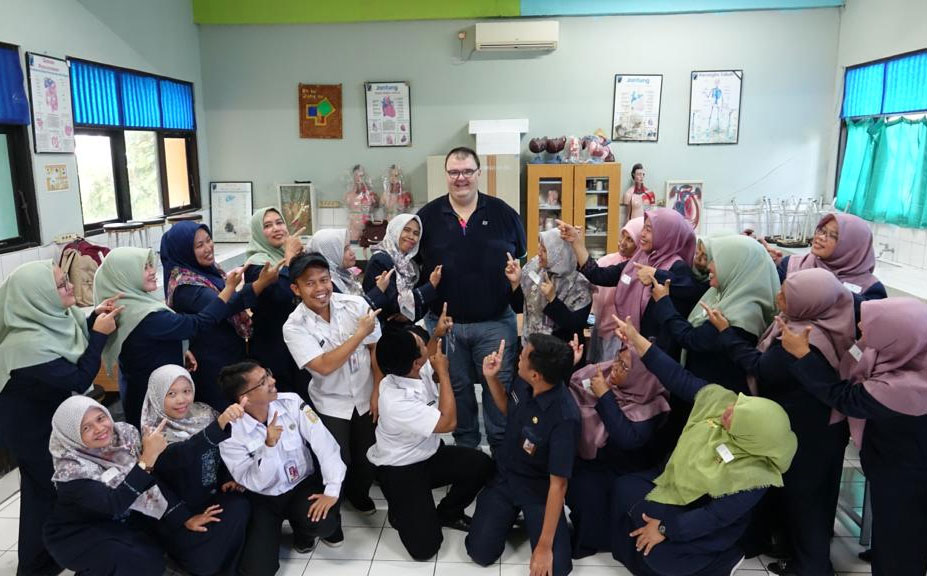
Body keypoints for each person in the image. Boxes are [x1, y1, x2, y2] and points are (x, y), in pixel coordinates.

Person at [613, 316, 797, 576]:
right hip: (678, 490)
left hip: (708, 524)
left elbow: (713, 517)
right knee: (625, 488)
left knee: (662, 556)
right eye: (738, 405)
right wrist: (635, 338)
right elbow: (677, 376)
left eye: (736, 417)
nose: (728, 411)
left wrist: (665, 529)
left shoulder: (756, 475)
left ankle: (724, 560)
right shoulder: (720, 402)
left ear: (750, 435)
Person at [703, 268, 855, 575]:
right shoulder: (828, 323)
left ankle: (811, 567)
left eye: (786, 294)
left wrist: (726, 333)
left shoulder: (803, 340)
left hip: (807, 433)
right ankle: (800, 555)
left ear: (808, 302)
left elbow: (759, 367)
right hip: (821, 427)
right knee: (811, 497)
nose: (778, 296)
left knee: (805, 500)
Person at [778, 298, 927, 576]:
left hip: (906, 472)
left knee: (900, 540)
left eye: (870, 325)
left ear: (898, 335)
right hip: (895, 462)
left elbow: (846, 399)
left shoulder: (906, 386)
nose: (858, 325)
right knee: (897, 530)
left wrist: (803, 355)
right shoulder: (905, 355)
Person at [0, 261, 121, 576]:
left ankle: (45, 558)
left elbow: (71, 334)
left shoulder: (51, 318)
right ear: (37, 296)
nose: (69, 287)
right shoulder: (25, 344)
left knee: (45, 492)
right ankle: (39, 564)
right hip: (30, 428)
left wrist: (93, 318)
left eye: (66, 279)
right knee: (49, 491)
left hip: (48, 415)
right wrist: (99, 335)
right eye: (60, 285)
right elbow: (77, 377)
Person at [44, 396, 236, 576]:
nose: (99, 428)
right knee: (134, 560)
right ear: (72, 436)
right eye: (86, 428)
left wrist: (183, 517)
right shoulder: (71, 470)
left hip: (121, 522)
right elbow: (115, 503)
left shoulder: (124, 436)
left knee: (157, 555)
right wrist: (146, 461)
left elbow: (151, 482)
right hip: (80, 533)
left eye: (100, 418)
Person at [416, 146, 527, 451]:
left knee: (498, 388)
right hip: (445, 326)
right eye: (454, 172)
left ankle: (503, 458)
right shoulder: (427, 218)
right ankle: (468, 456)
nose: (460, 178)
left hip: (495, 323)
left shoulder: (504, 214)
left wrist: (516, 281)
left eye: (467, 171)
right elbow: (413, 269)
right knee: (457, 391)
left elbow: (522, 262)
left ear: (479, 173)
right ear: (446, 175)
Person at [368, 326, 494, 560]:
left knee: (481, 465)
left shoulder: (407, 368)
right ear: (416, 363)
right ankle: (400, 506)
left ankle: (449, 512)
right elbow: (449, 423)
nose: (424, 341)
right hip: (400, 467)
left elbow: (429, 353)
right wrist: (443, 374)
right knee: (425, 549)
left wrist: (436, 334)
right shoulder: (396, 401)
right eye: (421, 342)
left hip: (430, 453)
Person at [217, 361, 347, 575]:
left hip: (301, 487)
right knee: (259, 570)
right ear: (244, 398)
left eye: (267, 374)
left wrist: (332, 491)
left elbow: (325, 443)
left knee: (325, 524)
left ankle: (303, 534)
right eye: (263, 382)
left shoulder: (291, 402)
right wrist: (268, 447)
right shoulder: (229, 431)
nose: (272, 381)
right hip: (263, 499)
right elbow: (255, 482)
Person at [465, 334, 580, 576]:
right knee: (480, 552)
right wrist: (491, 378)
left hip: (538, 489)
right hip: (506, 476)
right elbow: (509, 408)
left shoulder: (565, 417)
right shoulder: (524, 381)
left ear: (536, 375)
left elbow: (558, 485)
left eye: (524, 355)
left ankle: (535, 523)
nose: (519, 356)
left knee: (556, 569)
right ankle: (508, 517)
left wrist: (544, 546)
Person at [93, 247, 241, 428]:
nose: (152, 271)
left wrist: (180, 347)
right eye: (144, 267)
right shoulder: (145, 316)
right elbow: (197, 324)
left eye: (151, 265)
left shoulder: (127, 304)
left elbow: (148, 342)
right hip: (154, 398)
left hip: (139, 387)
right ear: (125, 274)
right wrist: (228, 289)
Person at [282, 253, 381, 518]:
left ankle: (358, 495)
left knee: (368, 455)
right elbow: (324, 365)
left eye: (324, 280)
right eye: (310, 283)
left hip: (365, 394)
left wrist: (377, 390)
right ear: (296, 289)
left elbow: (375, 349)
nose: (320, 288)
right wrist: (359, 334)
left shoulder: (355, 305)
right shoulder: (294, 326)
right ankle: (332, 509)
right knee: (337, 458)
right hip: (331, 401)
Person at [140, 365, 251, 575]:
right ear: (156, 395)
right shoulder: (152, 433)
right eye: (171, 394)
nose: (182, 400)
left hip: (209, 497)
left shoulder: (204, 413)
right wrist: (184, 518)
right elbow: (181, 456)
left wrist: (228, 477)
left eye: (186, 391)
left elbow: (224, 448)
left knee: (240, 506)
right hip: (175, 511)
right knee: (203, 565)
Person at [565, 343, 671, 559]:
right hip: (596, 462)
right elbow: (574, 390)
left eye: (624, 366)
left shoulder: (652, 403)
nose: (615, 367)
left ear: (640, 374)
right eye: (617, 359)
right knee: (582, 488)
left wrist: (605, 396)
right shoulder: (605, 377)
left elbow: (627, 438)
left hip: (629, 469)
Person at [160, 220, 279, 410]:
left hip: (229, 352)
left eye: (209, 240)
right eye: (199, 245)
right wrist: (260, 284)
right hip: (212, 360)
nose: (208, 248)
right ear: (184, 251)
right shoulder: (186, 285)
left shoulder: (206, 270)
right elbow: (223, 306)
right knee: (224, 411)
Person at [649, 234, 779, 395]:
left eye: (716, 260)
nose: (709, 266)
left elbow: (691, 339)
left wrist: (663, 302)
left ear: (735, 265)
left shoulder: (742, 313)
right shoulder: (725, 293)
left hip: (714, 397)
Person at [765, 213, 885, 323]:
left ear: (852, 246)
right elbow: (769, 303)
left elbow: (868, 329)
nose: (821, 237)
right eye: (821, 230)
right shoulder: (792, 265)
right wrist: (767, 262)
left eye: (833, 236)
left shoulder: (871, 289)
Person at [244, 207, 307, 398]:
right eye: (268, 226)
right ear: (258, 232)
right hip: (274, 343)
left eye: (279, 223)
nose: (276, 228)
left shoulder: (289, 257)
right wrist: (289, 258)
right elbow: (282, 295)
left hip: (300, 339)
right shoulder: (256, 264)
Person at [505, 229, 592, 350]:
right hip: (532, 348)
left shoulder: (579, 284)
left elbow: (575, 326)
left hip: (562, 352)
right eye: (540, 246)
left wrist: (553, 299)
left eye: (545, 250)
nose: (539, 253)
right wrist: (516, 283)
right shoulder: (534, 267)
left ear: (559, 254)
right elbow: (520, 307)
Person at [361, 214, 442, 328]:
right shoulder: (380, 260)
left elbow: (422, 307)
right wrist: (431, 286)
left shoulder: (411, 265)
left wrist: (408, 315)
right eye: (406, 230)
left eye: (416, 233)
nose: (411, 237)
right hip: (380, 329)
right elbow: (393, 305)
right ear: (395, 230)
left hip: (403, 327)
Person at [588, 217, 644, 363]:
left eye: (630, 239)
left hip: (620, 334)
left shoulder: (639, 270)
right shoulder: (607, 261)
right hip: (599, 327)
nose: (622, 243)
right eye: (623, 236)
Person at [309, 227, 384, 302]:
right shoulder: (329, 285)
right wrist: (379, 289)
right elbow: (353, 308)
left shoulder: (343, 274)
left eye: (349, 246)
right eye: (345, 249)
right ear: (330, 254)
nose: (352, 252)